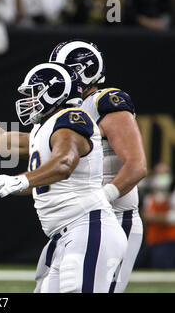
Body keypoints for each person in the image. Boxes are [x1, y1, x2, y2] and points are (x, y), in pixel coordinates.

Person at [0, 62, 128, 292]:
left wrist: (18, 180)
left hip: (87, 228)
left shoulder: (72, 119)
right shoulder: (44, 128)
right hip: (66, 234)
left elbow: (64, 164)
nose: (28, 100)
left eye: (34, 92)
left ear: (57, 91)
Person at [49, 39, 147, 292]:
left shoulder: (107, 102)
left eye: (64, 72)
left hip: (113, 216)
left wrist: (101, 198)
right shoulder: (69, 109)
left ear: (83, 72)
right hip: (76, 220)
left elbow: (136, 166)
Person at [141, 162, 175, 268]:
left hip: (168, 241)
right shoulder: (150, 197)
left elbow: (172, 218)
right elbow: (145, 217)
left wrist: (153, 217)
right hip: (151, 240)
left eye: (164, 174)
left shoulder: (172, 195)